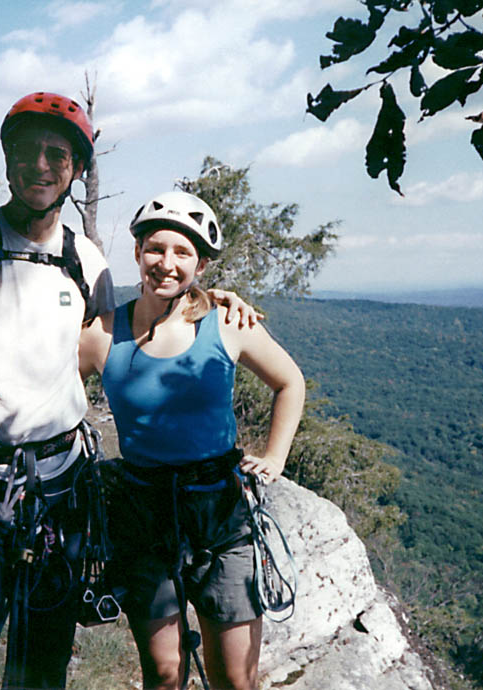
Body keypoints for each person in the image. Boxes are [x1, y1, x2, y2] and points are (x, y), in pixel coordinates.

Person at [0, 94, 256, 690]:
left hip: (62, 490)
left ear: (76, 170)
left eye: (57, 154)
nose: (41, 165)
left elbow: (135, 332)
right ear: (6, 160)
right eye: (26, 150)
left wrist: (214, 305)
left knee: (44, 663)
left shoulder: (86, 260)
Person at [79, 191, 306, 690]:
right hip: (142, 513)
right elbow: (52, 392)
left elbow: (290, 382)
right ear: (137, 252)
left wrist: (275, 456)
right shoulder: (101, 333)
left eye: (182, 253)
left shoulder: (226, 322)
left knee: (234, 680)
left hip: (219, 515)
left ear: (200, 263)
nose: (166, 263)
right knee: (162, 674)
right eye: (155, 249)